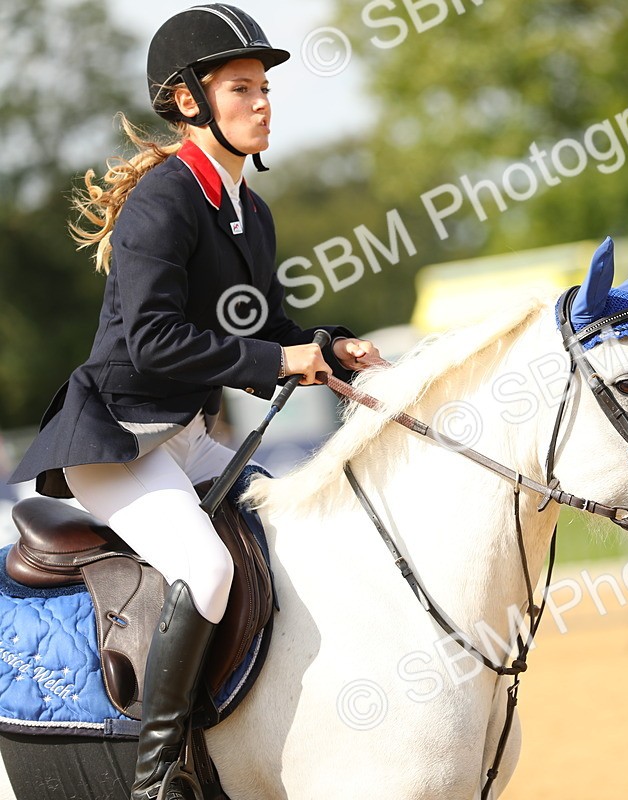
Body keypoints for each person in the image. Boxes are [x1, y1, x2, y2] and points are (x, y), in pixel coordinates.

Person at [8, 5, 378, 798]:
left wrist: (330, 344)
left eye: (266, 88)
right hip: (115, 440)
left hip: (181, 435)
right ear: (189, 102)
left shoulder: (249, 208)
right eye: (242, 88)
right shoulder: (163, 200)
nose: (263, 102)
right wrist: (283, 358)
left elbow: (265, 326)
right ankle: (159, 775)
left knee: (297, 526)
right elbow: (152, 342)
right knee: (208, 568)